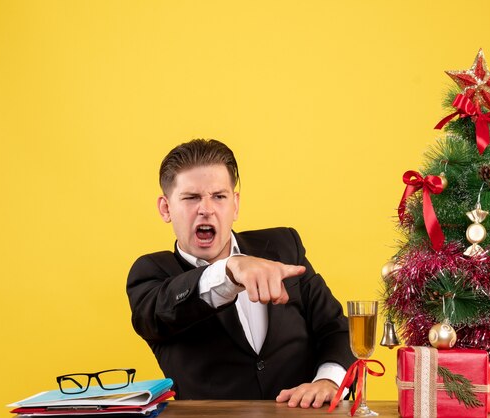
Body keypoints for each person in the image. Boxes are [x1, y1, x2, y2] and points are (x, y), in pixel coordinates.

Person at [126, 139, 355, 409]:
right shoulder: (151, 274)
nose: (206, 209)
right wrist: (229, 270)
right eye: (191, 197)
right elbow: (159, 312)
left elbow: (335, 328)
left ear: (235, 204)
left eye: (219, 196)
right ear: (166, 208)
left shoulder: (283, 245)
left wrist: (328, 381)